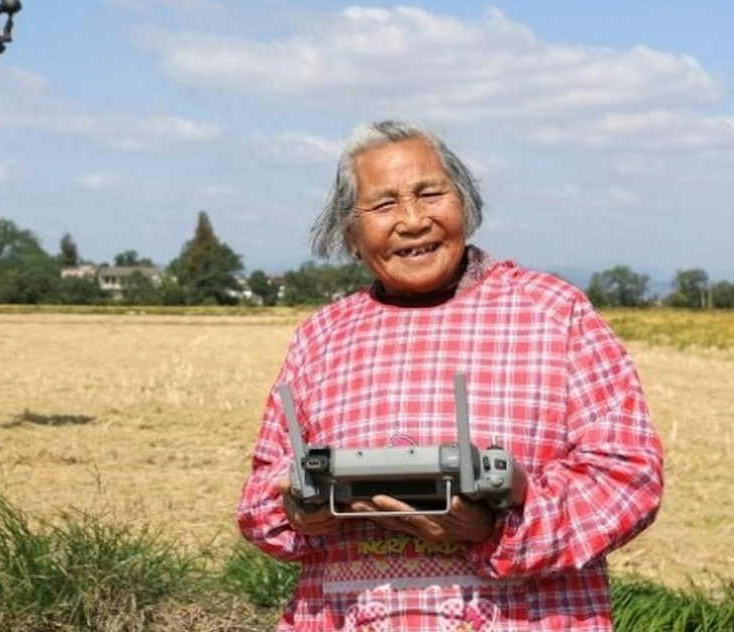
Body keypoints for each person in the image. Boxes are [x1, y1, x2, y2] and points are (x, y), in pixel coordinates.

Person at [236, 119, 664, 631]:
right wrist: (300, 512)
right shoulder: (321, 337)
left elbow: (627, 479)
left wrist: (493, 528)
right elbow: (261, 497)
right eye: (384, 204)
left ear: (466, 204)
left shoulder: (554, 314)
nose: (414, 221)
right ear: (351, 233)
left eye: (430, 193)